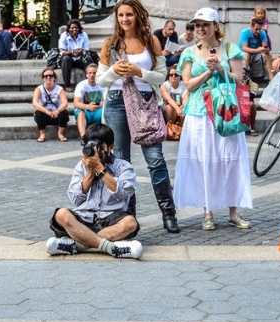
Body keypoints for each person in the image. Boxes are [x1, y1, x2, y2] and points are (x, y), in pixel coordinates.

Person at [96, 0, 180, 233]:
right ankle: (128, 215)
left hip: (145, 103)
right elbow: (101, 81)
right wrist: (114, 71)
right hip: (116, 102)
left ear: (138, 16)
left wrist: (138, 71)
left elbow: (162, 77)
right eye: (121, 15)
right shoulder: (110, 44)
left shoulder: (150, 41)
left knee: (155, 160)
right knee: (122, 161)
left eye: (129, 14)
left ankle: (168, 213)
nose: (125, 19)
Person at [175, 7, 252, 231]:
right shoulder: (189, 53)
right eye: (197, 25)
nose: (200, 29)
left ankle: (234, 212)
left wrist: (220, 68)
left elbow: (238, 79)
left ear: (215, 26)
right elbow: (188, 84)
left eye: (205, 25)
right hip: (199, 111)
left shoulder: (230, 48)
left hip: (226, 112)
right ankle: (207, 212)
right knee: (205, 161)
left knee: (230, 159)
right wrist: (209, 73)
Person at [46, 123, 142, 259]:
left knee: (130, 223)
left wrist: (100, 170)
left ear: (111, 147)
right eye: (91, 146)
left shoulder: (123, 167)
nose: (95, 151)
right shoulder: (82, 166)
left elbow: (122, 194)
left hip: (111, 219)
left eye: (100, 147)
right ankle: (110, 247)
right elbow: (75, 199)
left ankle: (77, 244)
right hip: (84, 218)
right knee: (61, 214)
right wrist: (91, 172)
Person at [32, 67, 70, 142]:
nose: (48, 77)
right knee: (38, 113)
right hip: (45, 115)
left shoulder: (59, 89)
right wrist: (47, 112)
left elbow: (65, 103)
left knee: (64, 113)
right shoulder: (39, 89)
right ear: (43, 79)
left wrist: (57, 111)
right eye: (46, 76)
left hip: (56, 114)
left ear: (54, 78)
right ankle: (42, 134)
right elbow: (35, 103)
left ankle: (60, 133)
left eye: (50, 75)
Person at [58, 19, 91, 92]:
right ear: (69, 29)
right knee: (66, 59)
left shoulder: (84, 35)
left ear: (79, 28)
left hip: (79, 58)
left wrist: (82, 52)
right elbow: (61, 52)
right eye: (72, 28)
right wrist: (73, 51)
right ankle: (67, 85)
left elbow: (86, 50)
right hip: (69, 59)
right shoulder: (64, 35)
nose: (74, 29)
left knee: (88, 59)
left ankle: (89, 84)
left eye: (76, 27)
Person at [74, 63, 105, 137]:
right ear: (86, 75)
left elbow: (107, 100)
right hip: (86, 111)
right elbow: (76, 103)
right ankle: (83, 136)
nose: (92, 75)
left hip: (99, 111)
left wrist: (103, 104)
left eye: (94, 73)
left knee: (107, 110)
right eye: (90, 73)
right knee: (80, 111)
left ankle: (105, 135)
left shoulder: (102, 85)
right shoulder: (81, 85)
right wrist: (88, 106)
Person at [241, 66, 258, 137]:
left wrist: (245, 86)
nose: (244, 75)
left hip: (246, 102)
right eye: (242, 73)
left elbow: (251, 97)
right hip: (237, 102)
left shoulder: (254, 84)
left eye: (246, 74)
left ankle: (252, 128)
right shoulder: (235, 81)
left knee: (252, 105)